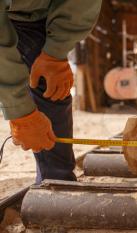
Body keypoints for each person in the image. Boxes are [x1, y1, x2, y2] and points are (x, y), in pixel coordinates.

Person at [0, 0, 102, 183]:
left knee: (52, 88)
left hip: (38, 15)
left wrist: (55, 53)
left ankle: (56, 184)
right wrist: (20, 111)